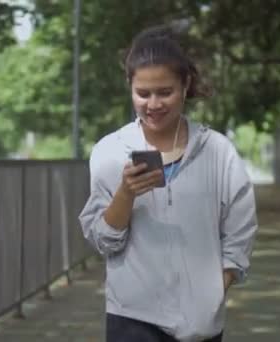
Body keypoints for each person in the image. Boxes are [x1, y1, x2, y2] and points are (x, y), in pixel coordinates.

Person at [78, 24, 258, 342]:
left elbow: (240, 230)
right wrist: (126, 193)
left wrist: (218, 286)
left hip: (200, 322)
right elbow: (104, 242)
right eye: (143, 94)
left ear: (185, 85)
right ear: (130, 88)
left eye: (165, 92)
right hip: (131, 317)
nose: (154, 104)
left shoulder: (217, 151)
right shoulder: (109, 152)